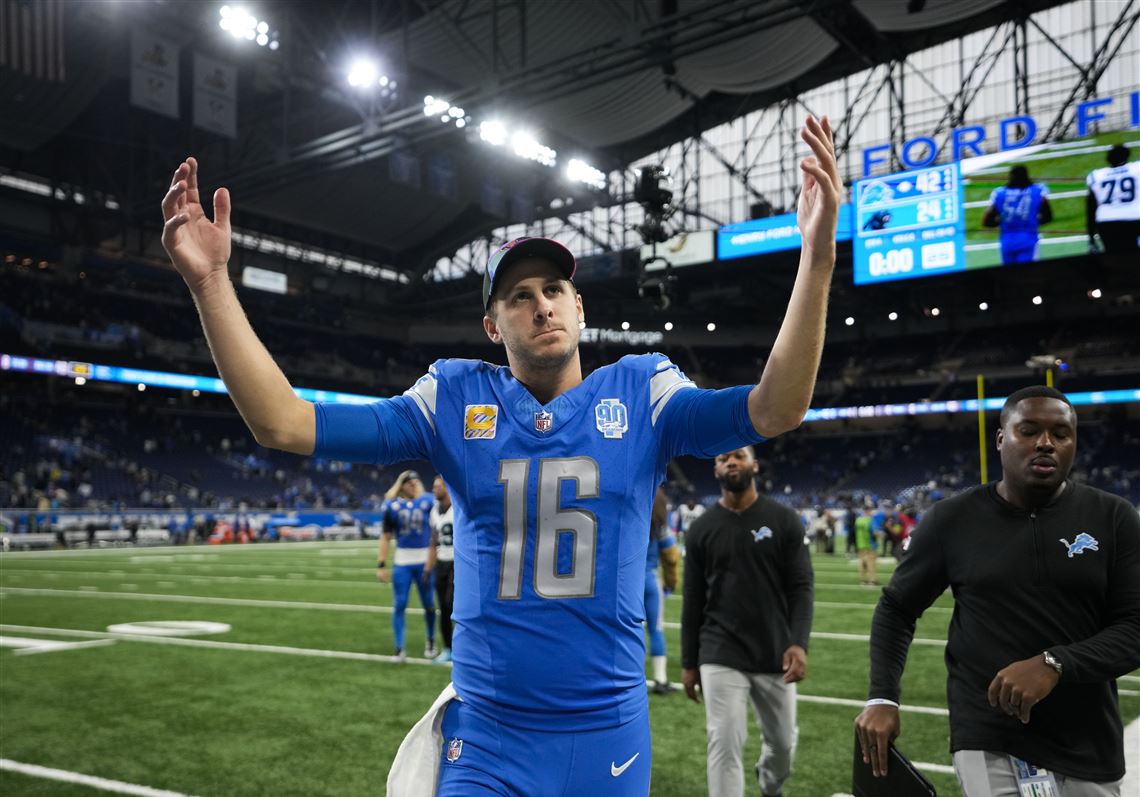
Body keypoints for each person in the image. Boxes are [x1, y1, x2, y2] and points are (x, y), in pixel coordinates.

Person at [159, 113, 841, 796]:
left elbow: (775, 407)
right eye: (519, 297)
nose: (541, 306)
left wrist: (817, 258)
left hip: (606, 732)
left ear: (580, 307)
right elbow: (283, 422)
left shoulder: (645, 390)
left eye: (553, 291)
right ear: (492, 325)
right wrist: (210, 283)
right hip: (487, 735)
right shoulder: (452, 397)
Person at [854, 386, 1140, 796]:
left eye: (1061, 434)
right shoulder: (952, 519)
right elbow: (897, 607)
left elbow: (1135, 626)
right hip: (988, 733)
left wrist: (1055, 663)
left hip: (1088, 738)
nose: (1045, 443)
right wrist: (882, 697)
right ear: (1002, 438)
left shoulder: (1114, 517)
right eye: (1029, 430)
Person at [681, 446, 814, 797]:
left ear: (754, 464)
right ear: (715, 470)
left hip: (775, 650)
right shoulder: (701, 530)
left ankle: (769, 784)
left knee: (783, 746)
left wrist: (798, 642)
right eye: (723, 459)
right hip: (719, 649)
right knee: (723, 744)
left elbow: (801, 586)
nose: (731, 462)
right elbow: (692, 601)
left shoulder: (783, 519)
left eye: (738, 455)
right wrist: (688, 663)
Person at [377, 470, 437, 662]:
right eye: (410, 483)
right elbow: (385, 536)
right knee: (400, 604)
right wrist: (381, 563)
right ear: (402, 485)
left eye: (416, 482)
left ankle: (430, 641)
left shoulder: (428, 501)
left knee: (429, 604)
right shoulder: (391, 505)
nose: (414, 485)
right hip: (402, 561)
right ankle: (399, 647)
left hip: (424, 560)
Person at [645, 487, 680, 694]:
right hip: (649, 580)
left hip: (625, 583)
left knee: (628, 631)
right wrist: (671, 582)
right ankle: (660, 679)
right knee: (656, 630)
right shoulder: (660, 524)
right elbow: (671, 555)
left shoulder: (627, 521)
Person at [983, 165, 1052, 264]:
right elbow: (1048, 217)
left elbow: (987, 222)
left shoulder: (999, 194)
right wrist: (1032, 221)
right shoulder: (1037, 191)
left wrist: (1004, 220)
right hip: (1028, 241)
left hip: (1007, 244)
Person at [1086, 143, 1140, 255]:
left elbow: (1091, 209)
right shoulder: (1136, 169)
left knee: (1114, 259)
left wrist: (1091, 238)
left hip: (1107, 221)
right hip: (1134, 218)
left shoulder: (1097, 175)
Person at [424, 475, 455, 664]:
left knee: (451, 605)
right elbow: (433, 541)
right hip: (441, 563)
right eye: (434, 486)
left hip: (456, 562)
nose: (434, 489)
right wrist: (428, 567)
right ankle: (448, 648)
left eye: (438, 486)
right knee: (443, 609)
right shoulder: (434, 511)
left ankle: (462, 648)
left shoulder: (457, 509)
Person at [854, 506, 876, 585]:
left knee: (862, 563)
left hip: (860, 544)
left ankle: (862, 580)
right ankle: (871, 580)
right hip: (870, 544)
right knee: (871, 564)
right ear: (869, 511)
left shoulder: (858, 520)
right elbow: (874, 532)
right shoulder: (870, 520)